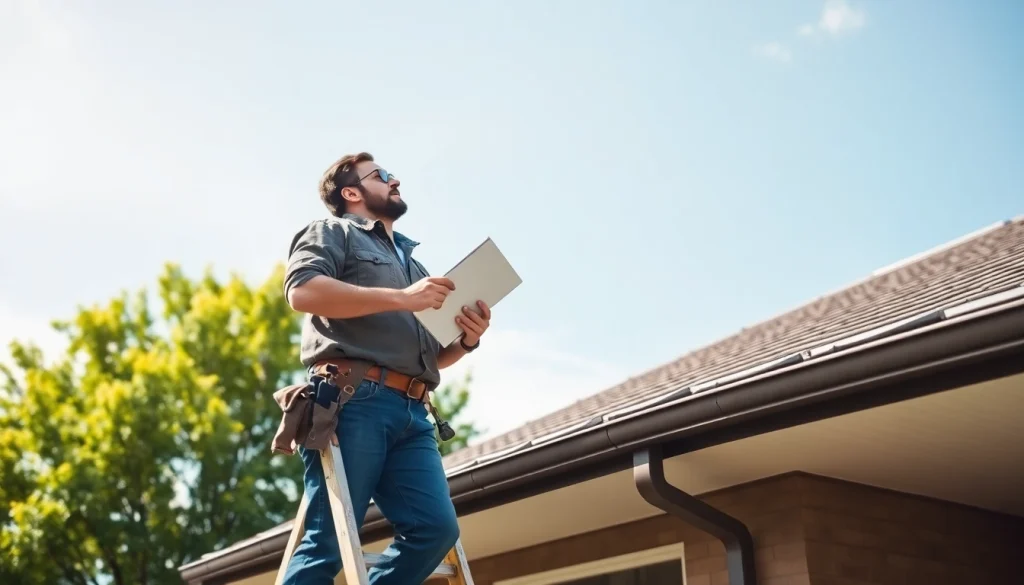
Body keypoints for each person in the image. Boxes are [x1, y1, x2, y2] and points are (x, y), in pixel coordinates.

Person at [279, 152, 491, 584]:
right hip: (354, 400)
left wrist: (467, 340)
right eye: (382, 176)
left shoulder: (415, 266)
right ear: (351, 192)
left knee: (435, 530)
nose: (395, 181)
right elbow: (301, 292)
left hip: (413, 412)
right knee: (329, 542)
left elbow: (431, 356)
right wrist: (403, 299)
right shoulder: (334, 232)